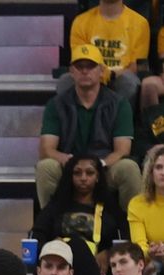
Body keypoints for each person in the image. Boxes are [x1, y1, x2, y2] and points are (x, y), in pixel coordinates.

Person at [36, 44, 140, 211]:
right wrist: (66, 160)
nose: (85, 71)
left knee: (129, 168)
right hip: (70, 168)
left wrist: (100, 164)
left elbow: (123, 150)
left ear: (101, 71)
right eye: (79, 66)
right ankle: (49, 226)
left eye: (91, 66)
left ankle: (131, 229)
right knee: (45, 167)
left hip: (105, 168)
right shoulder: (56, 104)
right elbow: (46, 149)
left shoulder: (119, 104)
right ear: (71, 71)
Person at [31, 154, 127, 275]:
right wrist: (51, 246)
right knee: (76, 244)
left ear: (97, 177)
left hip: (97, 270)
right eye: (77, 173)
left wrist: (108, 253)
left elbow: (123, 239)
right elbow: (37, 235)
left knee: (78, 246)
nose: (83, 178)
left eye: (89, 173)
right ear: (70, 176)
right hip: (60, 265)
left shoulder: (110, 208)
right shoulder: (56, 206)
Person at [58, 0, 149, 102]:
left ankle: (120, 116)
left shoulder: (140, 23)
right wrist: (98, 74)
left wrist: (110, 75)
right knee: (65, 81)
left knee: (128, 81)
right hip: (88, 72)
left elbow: (136, 67)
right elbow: (79, 60)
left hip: (119, 77)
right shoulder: (81, 21)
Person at [128, 146, 164, 271]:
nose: (163, 172)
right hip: (153, 261)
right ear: (150, 172)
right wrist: (150, 252)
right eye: (159, 167)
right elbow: (139, 247)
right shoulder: (137, 204)